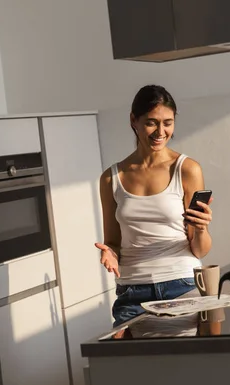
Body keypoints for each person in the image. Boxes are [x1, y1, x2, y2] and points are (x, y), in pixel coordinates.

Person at [95, 84, 213, 327]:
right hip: (131, 293)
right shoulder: (111, 178)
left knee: (187, 363)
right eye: (151, 122)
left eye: (168, 123)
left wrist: (201, 229)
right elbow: (113, 242)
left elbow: (200, 250)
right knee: (134, 364)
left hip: (182, 285)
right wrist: (109, 253)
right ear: (133, 121)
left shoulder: (187, 170)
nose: (161, 131)